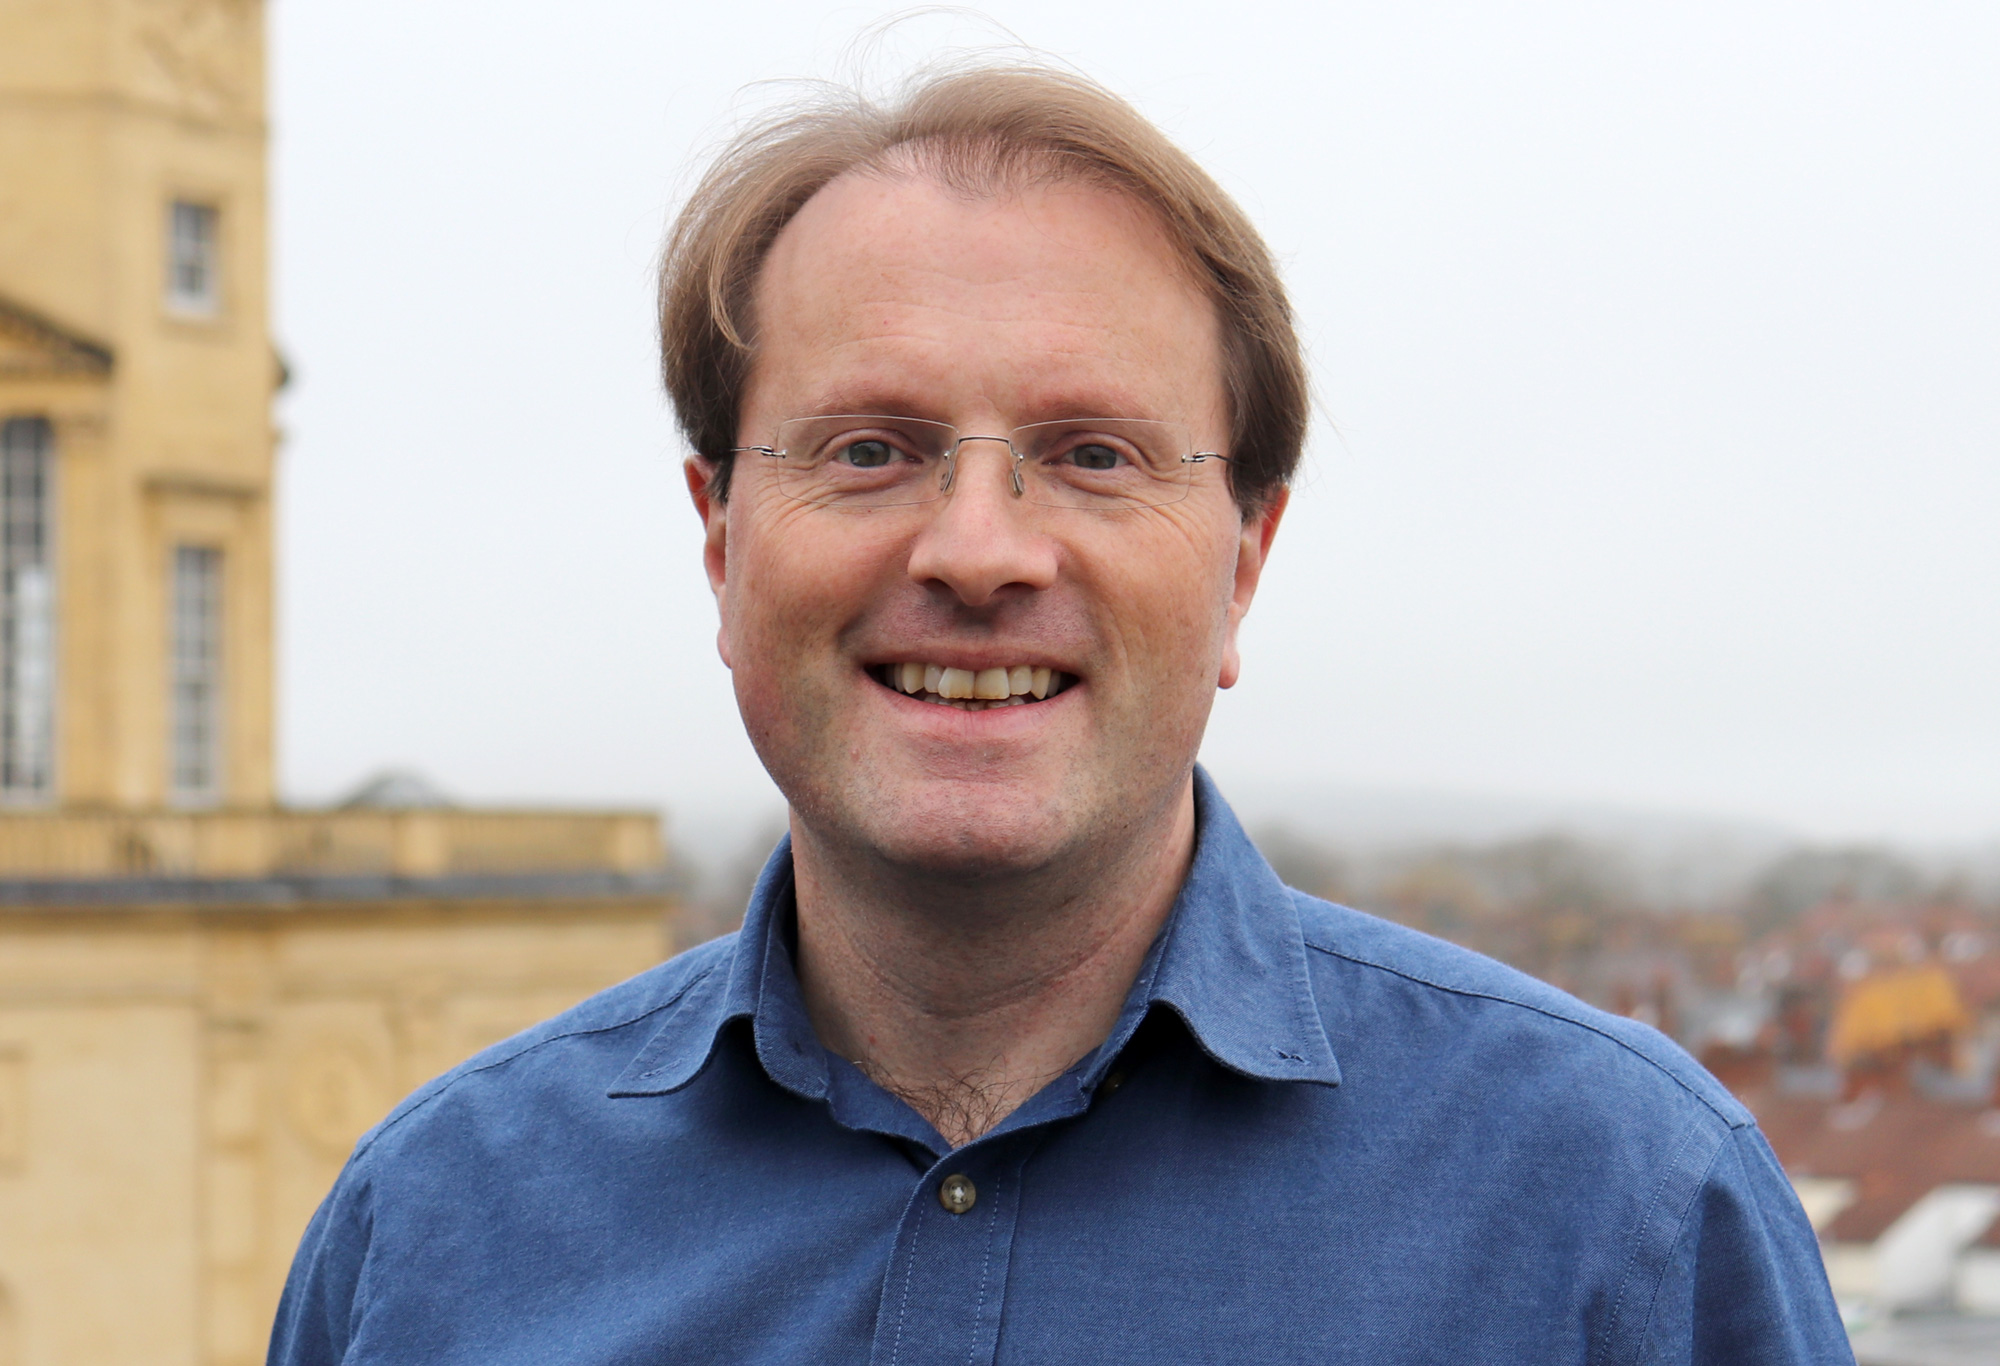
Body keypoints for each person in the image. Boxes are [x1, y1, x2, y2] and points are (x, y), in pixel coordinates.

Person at [269, 63, 1851, 1364]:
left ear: (1245, 559)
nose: (975, 550)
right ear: (719, 535)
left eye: (1093, 453)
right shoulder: (430, 1240)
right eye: (869, 448)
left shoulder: (1622, 1213)